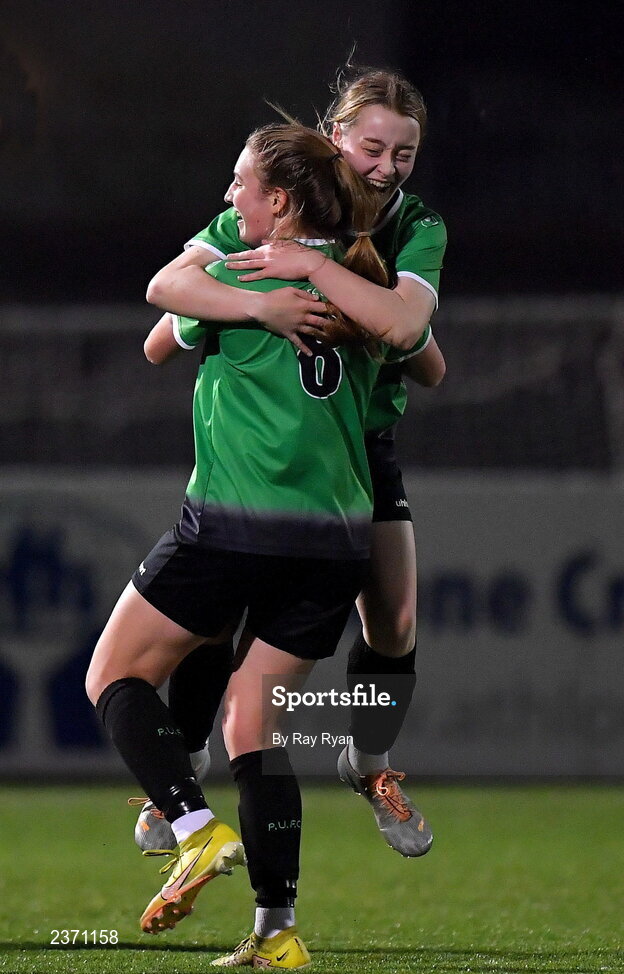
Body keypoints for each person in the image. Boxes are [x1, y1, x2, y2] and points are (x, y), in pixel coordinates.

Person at [87, 119, 429, 970]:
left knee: (114, 675)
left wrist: (240, 299)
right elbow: (422, 355)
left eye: (240, 184)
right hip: (337, 543)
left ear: (278, 202)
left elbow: (160, 330)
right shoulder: (364, 278)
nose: (229, 196)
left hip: (237, 524)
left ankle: (189, 823)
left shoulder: (240, 269)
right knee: (256, 724)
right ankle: (277, 932)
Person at [143, 66, 447, 862]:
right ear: (335, 136)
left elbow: (421, 347)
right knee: (215, 606)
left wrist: (318, 275)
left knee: (396, 618)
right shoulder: (275, 197)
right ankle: (184, 765)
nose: (387, 167)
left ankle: (369, 766)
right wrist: (253, 303)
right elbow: (166, 303)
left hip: (356, 447)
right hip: (261, 446)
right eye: (372, 147)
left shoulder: (410, 225)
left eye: (404, 153)